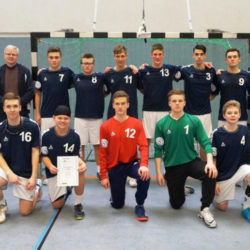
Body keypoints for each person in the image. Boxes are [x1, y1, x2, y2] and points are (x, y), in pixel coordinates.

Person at [154, 89, 218, 228]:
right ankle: (180, 189)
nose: (177, 103)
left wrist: (209, 163)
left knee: (210, 173)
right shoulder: (161, 124)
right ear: (169, 103)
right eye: (174, 101)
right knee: (176, 205)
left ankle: (205, 209)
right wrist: (159, 172)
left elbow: (206, 142)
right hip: (172, 165)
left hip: (191, 161)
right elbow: (158, 150)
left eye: (180, 101)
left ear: (184, 103)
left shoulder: (193, 121)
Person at [99, 90, 150, 221]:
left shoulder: (136, 124)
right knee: (117, 205)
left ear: (128, 105)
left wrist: (143, 165)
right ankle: (116, 195)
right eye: (117, 104)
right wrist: (104, 176)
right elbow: (103, 153)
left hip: (131, 163)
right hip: (115, 166)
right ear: (113, 105)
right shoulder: (105, 126)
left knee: (145, 176)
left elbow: (144, 146)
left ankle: (139, 204)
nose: (120, 106)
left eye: (123, 103)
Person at [35, 46, 74, 184]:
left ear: (60, 58)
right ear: (48, 58)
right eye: (51, 57)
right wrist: (37, 113)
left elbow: (81, 82)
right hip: (46, 115)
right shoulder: (42, 74)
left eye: (56, 57)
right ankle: (45, 175)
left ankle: (66, 175)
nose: (54, 60)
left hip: (63, 116)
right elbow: (38, 93)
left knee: (64, 144)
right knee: (45, 145)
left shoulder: (68, 72)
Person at [0, 92, 41, 223]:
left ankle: (37, 190)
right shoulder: (0, 128)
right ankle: (2, 205)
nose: (12, 109)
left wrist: (34, 176)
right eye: (9, 106)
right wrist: (9, 173)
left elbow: (35, 152)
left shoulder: (32, 126)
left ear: (20, 107)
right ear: (4, 108)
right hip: (7, 169)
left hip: (26, 171)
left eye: (15, 106)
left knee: (25, 212)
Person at [41, 105, 87, 220]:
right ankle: (66, 188)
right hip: (54, 171)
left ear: (70, 119)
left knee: (81, 170)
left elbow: (76, 157)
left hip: (69, 169)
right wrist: (50, 166)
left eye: (65, 118)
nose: (62, 121)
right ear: (54, 118)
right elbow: (44, 156)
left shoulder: (75, 136)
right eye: (59, 118)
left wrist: (82, 163)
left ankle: (78, 204)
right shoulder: (46, 135)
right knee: (57, 205)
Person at [104, 44, 141, 187]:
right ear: (114, 57)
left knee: (131, 143)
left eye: (122, 56)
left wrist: (139, 69)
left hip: (130, 113)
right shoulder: (108, 74)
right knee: (113, 143)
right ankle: (115, 171)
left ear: (126, 56)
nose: (120, 59)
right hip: (113, 114)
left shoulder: (133, 72)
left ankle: (131, 174)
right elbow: (105, 91)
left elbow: (144, 88)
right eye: (117, 56)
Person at [175, 44, 217, 161]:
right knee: (184, 143)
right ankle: (181, 169)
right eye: (196, 54)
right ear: (193, 55)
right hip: (188, 113)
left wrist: (207, 99)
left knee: (204, 143)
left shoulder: (211, 71)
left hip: (205, 113)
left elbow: (216, 89)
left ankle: (205, 170)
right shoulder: (186, 70)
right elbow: (172, 74)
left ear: (205, 55)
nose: (199, 57)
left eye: (201, 54)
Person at [211, 100, 250, 221]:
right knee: (222, 207)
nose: (232, 115)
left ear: (239, 115)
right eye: (229, 113)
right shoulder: (217, 134)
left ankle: (247, 206)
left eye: (235, 113)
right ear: (224, 115)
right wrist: (214, 182)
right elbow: (213, 160)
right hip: (223, 174)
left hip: (240, 169)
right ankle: (212, 197)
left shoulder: (245, 131)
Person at [74, 53, 107, 180]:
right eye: (84, 63)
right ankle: (79, 170)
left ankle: (100, 171)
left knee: (97, 145)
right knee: (80, 146)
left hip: (96, 117)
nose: (87, 66)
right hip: (80, 117)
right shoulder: (76, 78)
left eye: (89, 63)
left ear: (93, 64)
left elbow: (107, 89)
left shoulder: (101, 77)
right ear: (81, 65)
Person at [211, 48, 250, 127]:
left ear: (239, 59)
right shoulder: (219, 76)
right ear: (226, 60)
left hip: (241, 118)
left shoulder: (247, 76)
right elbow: (211, 96)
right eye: (229, 57)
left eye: (235, 57)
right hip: (223, 118)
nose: (232, 59)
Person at [0, 45, 34, 121]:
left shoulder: (25, 71)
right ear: (4, 55)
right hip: (2, 113)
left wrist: (18, 103)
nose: (11, 56)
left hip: (22, 112)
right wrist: (6, 104)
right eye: (8, 54)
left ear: (17, 56)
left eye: (13, 54)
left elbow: (31, 91)